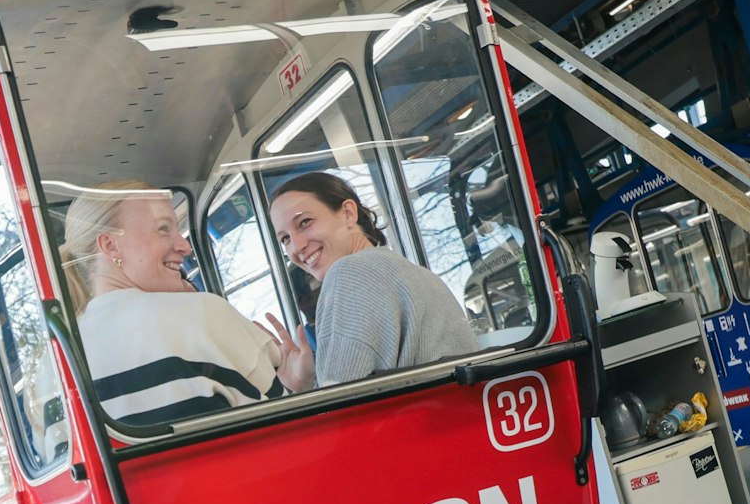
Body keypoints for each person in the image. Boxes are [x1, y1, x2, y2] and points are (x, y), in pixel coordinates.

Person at [59, 180, 292, 424]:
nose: (185, 246)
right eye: (163, 229)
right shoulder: (202, 314)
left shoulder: (59, 361)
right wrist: (297, 382)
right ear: (110, 246)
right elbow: (289, 417)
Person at [266, 171, 478, 389]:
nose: (296, 246)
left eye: (305, 222)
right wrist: (308, 380)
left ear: (348, 213)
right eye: (285, 239)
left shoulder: (349, 273)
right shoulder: (417, 275)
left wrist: (305, 387)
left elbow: (344, 402)